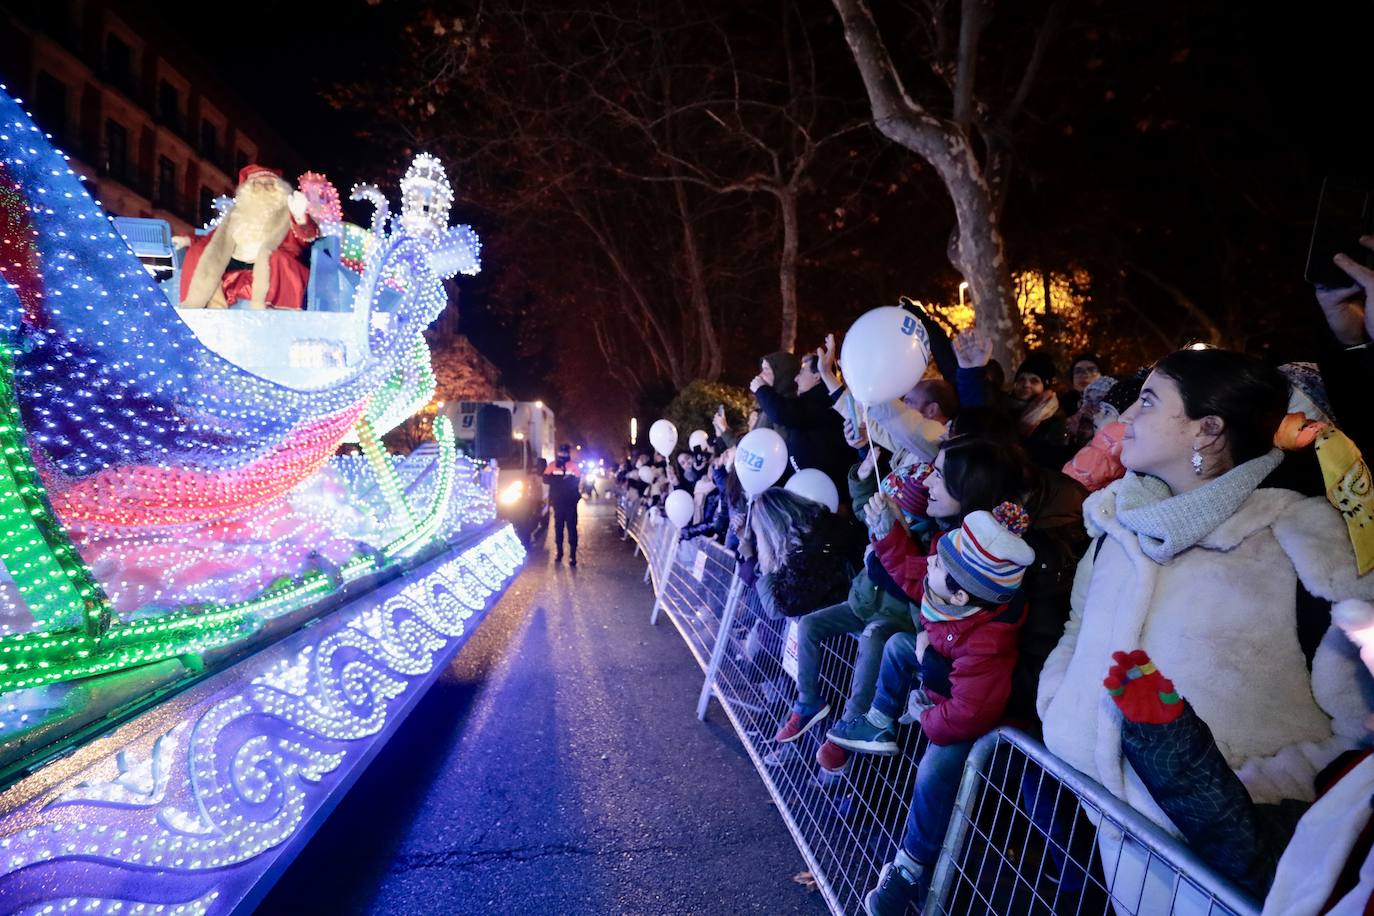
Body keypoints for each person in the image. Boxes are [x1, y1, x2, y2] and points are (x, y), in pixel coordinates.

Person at [1036, 348, 1374, 861]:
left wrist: (1241, 798)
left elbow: (1357, 728)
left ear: (1207, 430)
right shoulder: (1117, 522)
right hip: (1103, 829)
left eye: (1148, 402)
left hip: (1219, 876)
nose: (1128, 420)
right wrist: (1060, 708)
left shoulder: (1299, 537)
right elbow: (1077, 626)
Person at [836, 502, 1037, 914]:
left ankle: (909, 869)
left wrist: (923, 710)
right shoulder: (953, 595)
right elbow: (913, 574)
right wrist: (886, 530)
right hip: (946, 687)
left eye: (939, 564)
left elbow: (969, 714)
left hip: (978, 727)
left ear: (961, 593)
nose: (930, 564)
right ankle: (879, 722)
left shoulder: (988, 642)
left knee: (934, 768)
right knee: (896, 646)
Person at [176, 165, 319, 310]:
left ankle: (272, 310)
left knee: (276, 257)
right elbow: (213, 240)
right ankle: (210, 309)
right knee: (203, 255)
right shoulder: (236, 214)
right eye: (257, 183)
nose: (263, 187)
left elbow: (306, 237)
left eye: (270, 184)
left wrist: (300, 217)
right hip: (234, 265)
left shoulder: (288, 212)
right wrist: (188, 239)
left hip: (273, 269)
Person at [1010, 350, 1072, 470]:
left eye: (1034, 380)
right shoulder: (1002, 410)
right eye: (1021, 379)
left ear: (1045, 386)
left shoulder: (1055, 418)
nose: (1026, 384)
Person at [544, 443, 582, 565]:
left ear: (568, 453)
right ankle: (559, 553)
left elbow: (576, 481)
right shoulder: (552, 465)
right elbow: (545, 478)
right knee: (558, 528)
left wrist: (559, 481)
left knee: (572, 528)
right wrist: (560, 480)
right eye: (561, 452)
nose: (563, 454)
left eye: (565, 452)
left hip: (570, 502)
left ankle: (573, 555)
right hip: (558, 502)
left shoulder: (573, 466)